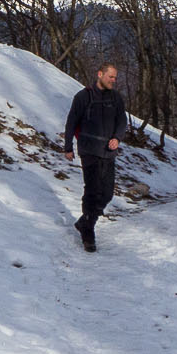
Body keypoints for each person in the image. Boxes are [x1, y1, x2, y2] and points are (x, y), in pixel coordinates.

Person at [63, 62, 130, 252]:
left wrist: (117, 137)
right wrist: (68, 147)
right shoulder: (83, 96)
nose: (113, 80)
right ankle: (89, 233)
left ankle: (85, 221)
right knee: (92, 190)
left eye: (115, 77)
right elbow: (71, 122)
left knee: (107, 193)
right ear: (100, 74)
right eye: (111, 76)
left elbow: (122, 121)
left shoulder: (116, 98)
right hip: (89, 149)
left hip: (109, 151)